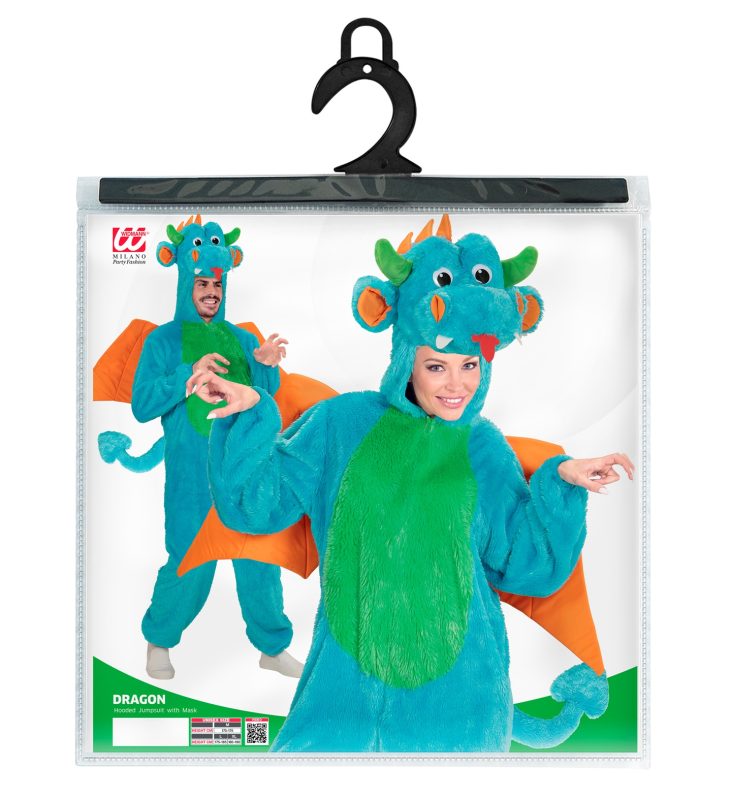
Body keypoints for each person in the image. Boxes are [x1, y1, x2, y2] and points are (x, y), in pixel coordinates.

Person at [190, 216, 634, 752]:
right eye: (436, 366)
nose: (456, 385)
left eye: (470, 364)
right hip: (341, 701)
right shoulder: (340, 424)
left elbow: (527, 566)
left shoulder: (482, 446)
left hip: (463, 708)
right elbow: (253, 506)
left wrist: (560, 483)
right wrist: (250, 414)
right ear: (407, 356)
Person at [132, 216, 302, 681]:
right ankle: (160, 639)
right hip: (191, 476)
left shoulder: (244, 339)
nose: (211, 291)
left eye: (217, 284)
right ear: (185, 282)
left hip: (247, 470)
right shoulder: (163, 340)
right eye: (202, 283)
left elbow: (265, 400)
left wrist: (264, 366)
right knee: (190, 561)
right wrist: (188, 373)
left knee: (259, 560)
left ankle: (272, 647)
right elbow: (142, 405)